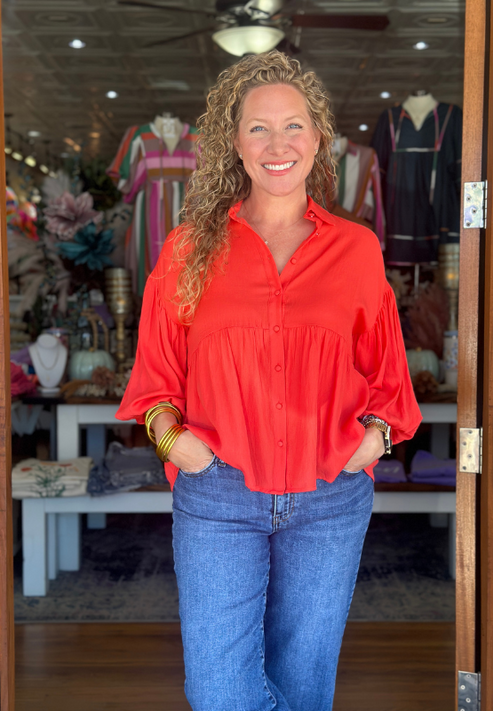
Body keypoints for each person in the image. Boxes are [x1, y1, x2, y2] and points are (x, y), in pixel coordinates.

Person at [117, 50, 422, 711]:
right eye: (258, 127)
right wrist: (173, 441)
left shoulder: (355, 249)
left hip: (328, 496)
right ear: (234, 141)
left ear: (318, 139)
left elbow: (386, 376)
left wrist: (375, 436)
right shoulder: (187, 250)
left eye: (293, 127)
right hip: (218, 492)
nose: (276, 144)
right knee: (221, 692)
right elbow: (154, 380)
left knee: (304, 685)